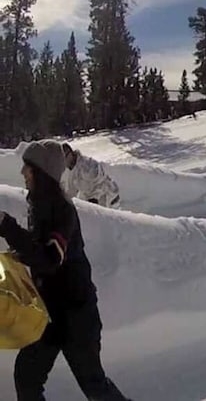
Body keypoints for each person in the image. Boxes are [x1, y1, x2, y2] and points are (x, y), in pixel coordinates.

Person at [0, 139, 130, 400]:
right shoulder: (39, 206)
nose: (23, 173)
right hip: (49, 314)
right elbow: (41, 251)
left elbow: (50, 258)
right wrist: (19, 254)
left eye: (28, 168)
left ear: (42, 172)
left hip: (76, 315)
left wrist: (7, 226)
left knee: (94, 385)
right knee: (26, 378)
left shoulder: (62, 210)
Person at [61, 144, 120, 208]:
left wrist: (94, 199)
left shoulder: (87, 165)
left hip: (107, 196)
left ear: (70, 154)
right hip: (88, 196)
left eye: (64, 158)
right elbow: (70, 191)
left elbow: (100, 183)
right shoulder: (68, 171)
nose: (63, 162)